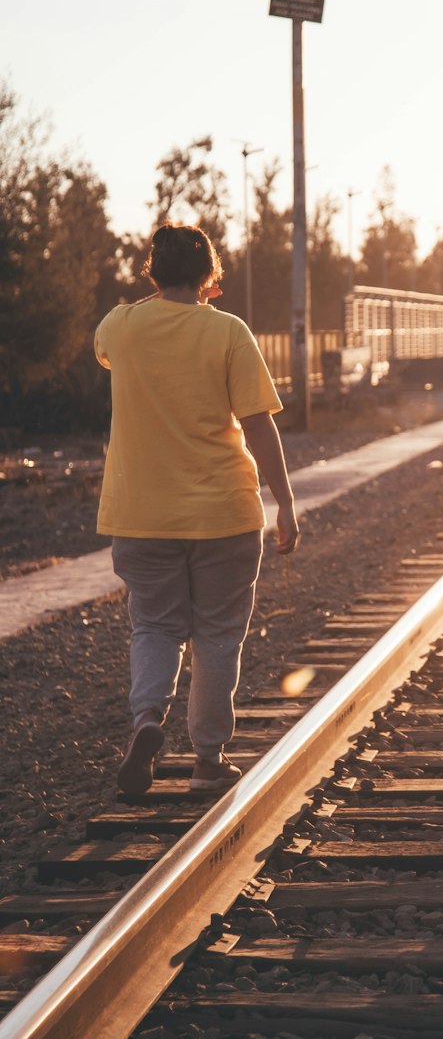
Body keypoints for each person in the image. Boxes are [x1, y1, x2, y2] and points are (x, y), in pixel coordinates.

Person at [95, 224, 299, 800]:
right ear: (212, 275)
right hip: (224, 516)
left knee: (155, 627)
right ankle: (207, 760)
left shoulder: (121, 325)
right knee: (216, 635)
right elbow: (258, 422)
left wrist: (154, 297)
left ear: (152, 272)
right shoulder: (228, 331)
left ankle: (147, 723)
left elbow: (108, 350)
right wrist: (283, 501)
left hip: (141, 514)